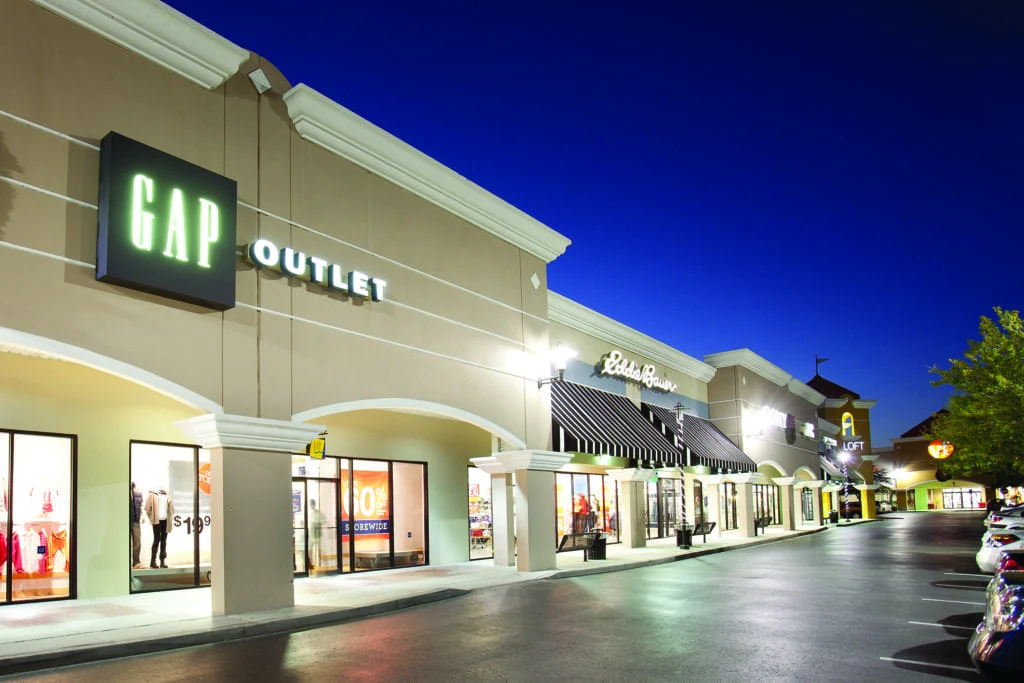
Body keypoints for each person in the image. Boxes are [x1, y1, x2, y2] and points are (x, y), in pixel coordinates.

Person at [144, 488, 174, 569]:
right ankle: (153, 561)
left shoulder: (168, 495)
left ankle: (162, 561)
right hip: (156, 521)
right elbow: (147, 508)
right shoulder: (153, 495)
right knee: (156, 540)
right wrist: (152, 518)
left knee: (164, 541)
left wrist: (170, 516)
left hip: (165, 520)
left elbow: (171, 508)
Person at [129, 482, 143, 569]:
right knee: (125, 543)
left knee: (137, 542)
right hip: (125, 520)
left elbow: (140, 505)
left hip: (136, 519)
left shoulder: (137, 491)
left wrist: (142, 516)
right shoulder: (122, 491)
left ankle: (136, 562)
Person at [308, 499, 324, 571]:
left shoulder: (318, 513)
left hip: (317, 535)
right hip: (311, 534)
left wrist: (318, 524)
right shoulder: (309, 513)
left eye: (311, 504)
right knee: (310, 550)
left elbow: (323, 521)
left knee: (318, 550)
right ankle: (311, 564)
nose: (310, 506)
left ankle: (318, 564)